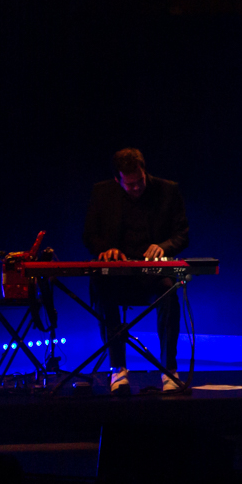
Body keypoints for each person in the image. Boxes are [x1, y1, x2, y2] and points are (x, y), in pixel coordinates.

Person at [84, 147, 190, 393]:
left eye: (139, 182)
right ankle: (118, 369)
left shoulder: (167, 190)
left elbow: (182, 234)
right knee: (102, 290)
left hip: (153, 274)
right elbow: (89, 235)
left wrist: (163, 246)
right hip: (117, 275)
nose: (136, 188)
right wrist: (106, 249)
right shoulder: (102, 193)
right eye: (129, 185)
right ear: (117, 179)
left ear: (145, 172)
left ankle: (169, 370)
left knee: (169, 292)